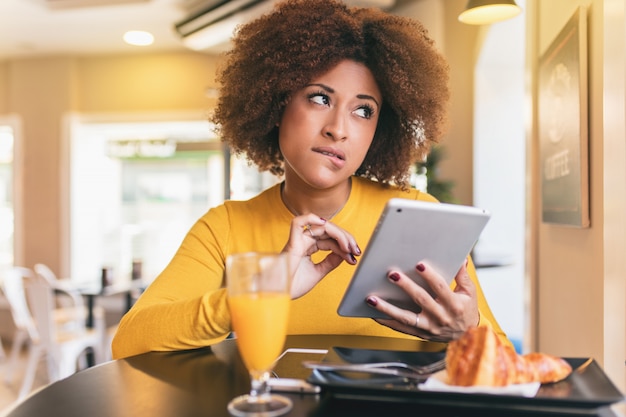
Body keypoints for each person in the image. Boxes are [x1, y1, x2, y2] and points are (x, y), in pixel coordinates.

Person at [112, 0, 511, 359]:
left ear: (379, 130)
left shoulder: (421, 216)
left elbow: (504, 359)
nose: (339, 129)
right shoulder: (226, 228)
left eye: (363, 111)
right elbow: (129, 340)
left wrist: (467, 332)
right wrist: (266, 287)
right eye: (320, 98)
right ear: (277, 100)